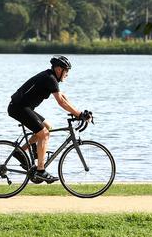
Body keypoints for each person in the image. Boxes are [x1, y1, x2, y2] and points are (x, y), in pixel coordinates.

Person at [7, 55, 91, 183]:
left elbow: (63, 97)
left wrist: (77, 112)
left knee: (47, 128)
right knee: (44, 134)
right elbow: (61, 103)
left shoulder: (50, 78)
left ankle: (20, 152)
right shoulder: (50, 78)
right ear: (58, 69)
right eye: (66, 70)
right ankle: (41, 171)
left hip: (22, 107)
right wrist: (79, 114)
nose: (67, 74)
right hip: (19, 108)